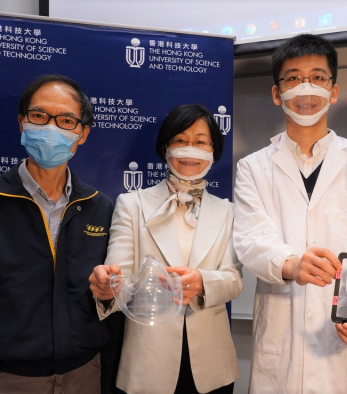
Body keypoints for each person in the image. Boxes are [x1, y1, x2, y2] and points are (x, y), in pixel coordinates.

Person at [232, 33, 347, 393]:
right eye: (293, 78)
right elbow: (250, 239)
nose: (305, 89)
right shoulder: (253, 168)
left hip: (344, 340)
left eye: (318, 77)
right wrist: (292, 265)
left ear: (333, 91)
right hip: (281, 343)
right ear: (277, 94)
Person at [0, 74, 115, 393]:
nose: (51, 128)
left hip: (85, 373)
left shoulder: (99, 206)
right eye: (39, 116)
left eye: (67, 120)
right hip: (5, 379)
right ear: (21, 122)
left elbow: (110, 303)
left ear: (82, 133)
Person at [89, 103, 243, 394]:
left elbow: (234, 279)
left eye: (200, 142)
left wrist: (202, 282)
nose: (190, 150)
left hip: (212, 364)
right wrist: (109, 288)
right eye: (181, 141)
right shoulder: (132, 204)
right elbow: (119, 278)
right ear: (165, 148)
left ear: (213, 149)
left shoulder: (228, 211)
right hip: (148, 361)